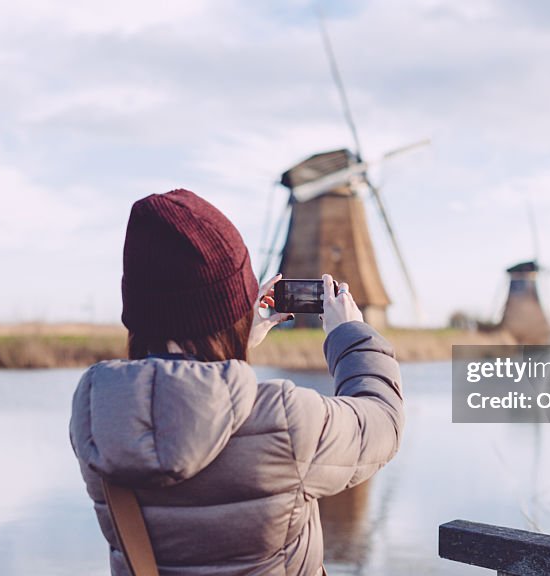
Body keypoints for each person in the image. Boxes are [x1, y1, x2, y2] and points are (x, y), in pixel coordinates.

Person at [69, 188, 405, 575]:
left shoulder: (97, 410)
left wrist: (233, 341)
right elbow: (382, 423)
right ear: (231, 307)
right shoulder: (284, 420)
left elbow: (180, 397)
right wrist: (350, 334)